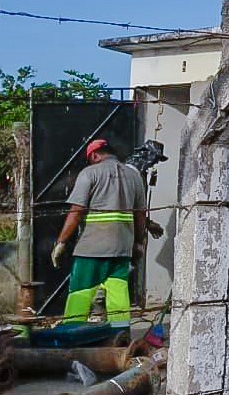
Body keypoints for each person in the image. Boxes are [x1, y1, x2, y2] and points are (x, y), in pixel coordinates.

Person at [51, 139, 146, 327]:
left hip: (91, 248)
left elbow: (76, 211)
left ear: (94, 155)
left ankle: (71, 332)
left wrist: (61, 242)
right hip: (122, 248)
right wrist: (138, 243)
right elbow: (141, 214)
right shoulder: (133, 176)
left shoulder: (89, 173)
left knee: (80, 292)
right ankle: (120, 335)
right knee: (118, 293)